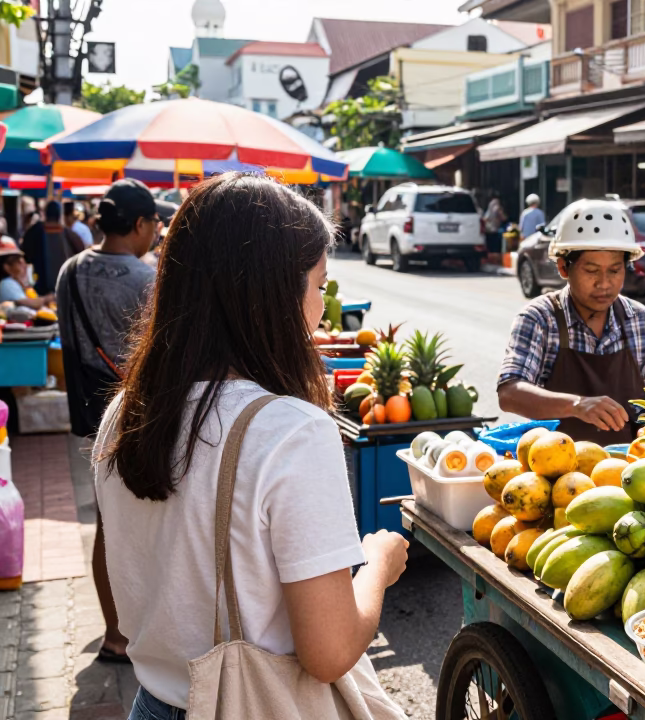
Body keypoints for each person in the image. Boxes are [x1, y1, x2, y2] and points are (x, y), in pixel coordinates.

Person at [94, 173, 408, 718]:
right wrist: (378, 564)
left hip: (153, 702)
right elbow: (329, 652)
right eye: (319, 285)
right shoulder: (290, 431)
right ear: (271, 295)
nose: (321, 305)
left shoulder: (125, 411)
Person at [56, 179, 163, 666]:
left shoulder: (69, 271)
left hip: (93, 416)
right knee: (155, 522)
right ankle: (153, 631)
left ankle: (115, 635)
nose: (158, 232)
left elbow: (71, 352)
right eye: (156, 224)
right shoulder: (147, 281)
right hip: (144, 412)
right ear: (139, 224)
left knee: (107, 523)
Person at [498, 198, 645, 445]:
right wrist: (577, 405)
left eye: (614, 270)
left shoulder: (641, 321)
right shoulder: (539, 318)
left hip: (627, 472)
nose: (604, 283)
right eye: (591, 271)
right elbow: (510, 393)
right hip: (554, 471)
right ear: (563, 268)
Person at [22, 200, 85, 296]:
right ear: (60, 215)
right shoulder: (69, 234)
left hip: (41, 284)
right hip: (63, 285)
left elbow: (25, 254)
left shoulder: (35, 230)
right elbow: (81, 254)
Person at [0, 239, 53, 309]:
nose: (24, 265)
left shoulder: (13, 282)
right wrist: (47, 298)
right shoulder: (7, 283)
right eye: (18, 261)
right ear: (7, 267)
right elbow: (29, 303)